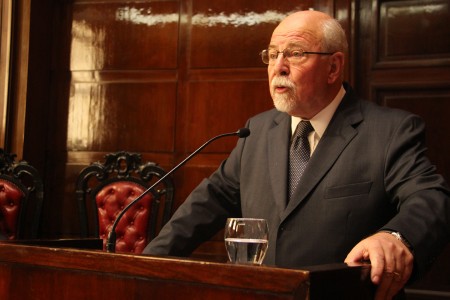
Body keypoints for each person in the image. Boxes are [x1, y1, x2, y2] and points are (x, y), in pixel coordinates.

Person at [143, 10, 450, 299]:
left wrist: (396, 237)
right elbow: (206, 204)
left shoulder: (390, 130)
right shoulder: (257, 130)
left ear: (333, 67)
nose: (279, 67)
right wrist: (145, 268)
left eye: (295, 53)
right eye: (273, 54)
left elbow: (431, 198)